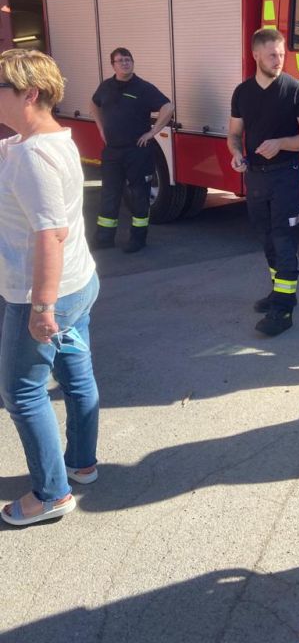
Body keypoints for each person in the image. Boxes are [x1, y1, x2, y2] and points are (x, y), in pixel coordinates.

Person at [0, 49, 99, 526]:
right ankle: (81, 464)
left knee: (22, 392)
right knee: (76, 376)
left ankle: (52, 494)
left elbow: (50, 235)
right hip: (79, 285)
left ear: (29, 94)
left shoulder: (32, 156)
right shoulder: (52, 140)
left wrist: (41, 307)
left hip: (40, 294)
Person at [228, 27, 299, 337]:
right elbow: (234, 134)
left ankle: (284, 308)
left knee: (284, 238)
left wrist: (281, 143)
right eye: (272, 55)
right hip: (255, 177)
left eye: (281, 55)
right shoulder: (242, 92)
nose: (279, 60)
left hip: (285, 176)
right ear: (256, 55)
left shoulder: (296, 90)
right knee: (266, 237)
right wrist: (236, 154)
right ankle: (279, 289)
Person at [90, 48, 172, 253]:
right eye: (120, 61)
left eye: (128, 60)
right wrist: (101, 128)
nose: (125, 63)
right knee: (109, 194)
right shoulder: (106, 87)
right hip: (112, 151)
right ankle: (104, 238)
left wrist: (152, 132)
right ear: (113, 65)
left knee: (139, 195)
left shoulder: (142, 87)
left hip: (137, 151)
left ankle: (138, 238)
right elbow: (93, 103)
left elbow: (168, 107)